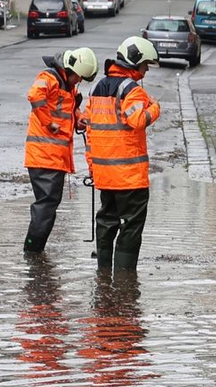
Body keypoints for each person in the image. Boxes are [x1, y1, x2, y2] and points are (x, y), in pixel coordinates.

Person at [85, 36, 161, 274]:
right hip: (130, 176)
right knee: (131, 226)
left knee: (107, 221)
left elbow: (90, 129)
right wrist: (155, 108)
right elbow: (137, 120)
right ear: (135, 61)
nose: (146, 70)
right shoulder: (132, 90)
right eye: (145, 64)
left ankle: (104, 274)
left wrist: (92, 167)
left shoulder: (98, 87)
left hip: (105, 173)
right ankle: (125, 279)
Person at [23, 47, 99, 255]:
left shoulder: (66, 84)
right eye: (79, 77)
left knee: (48, 205)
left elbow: (68, 109)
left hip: (52, 157)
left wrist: (79, 120)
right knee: (46, 205)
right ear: (70, 69)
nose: (80, 81)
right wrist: (49, 123)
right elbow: (34, 96)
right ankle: (32, 251)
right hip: (44, 155)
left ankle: (34, 252)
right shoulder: (50, 78)